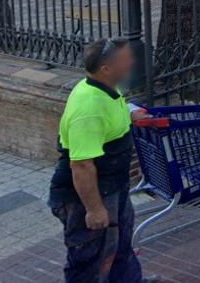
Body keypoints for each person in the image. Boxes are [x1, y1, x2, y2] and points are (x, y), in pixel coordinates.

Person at [48, 38, 152, 283]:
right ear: (106, 68)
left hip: (113, 187)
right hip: (86, 197)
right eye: (126, 59)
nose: (132, 62)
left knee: (120, 246)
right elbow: (81, 165)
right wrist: (94, 209)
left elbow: (115, 108)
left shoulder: (107, 87)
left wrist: (130, 113)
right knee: (89, 259)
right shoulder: (89, 109)